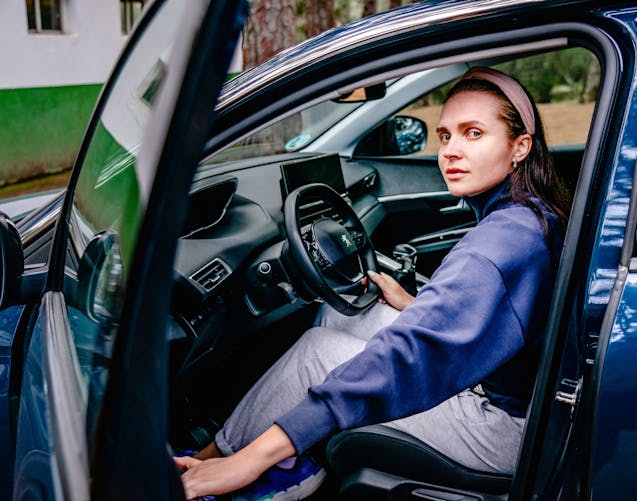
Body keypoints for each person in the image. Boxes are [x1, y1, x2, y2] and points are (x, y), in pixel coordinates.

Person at [176, 67, 570, 499]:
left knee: (316, 354)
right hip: (524, 393)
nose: (451, 151)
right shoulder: (529, 214)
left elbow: (408, 355)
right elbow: (479, 320)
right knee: (346, 316)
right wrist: (411, 304)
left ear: (520, 147)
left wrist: (249, 460)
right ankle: (264, 454)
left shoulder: (499, 244)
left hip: (505, 428)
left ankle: (218, 463)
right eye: (445, 136)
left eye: (473, 134)